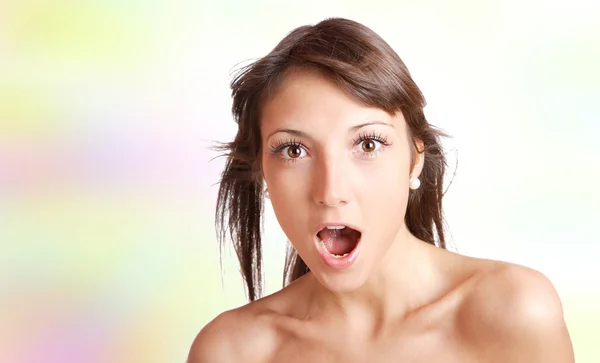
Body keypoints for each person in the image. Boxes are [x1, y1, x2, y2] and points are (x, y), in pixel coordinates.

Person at [188, 18, 574, 362]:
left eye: (368, 144)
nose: (331, 190)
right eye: (294, 150)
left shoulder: (514, 312)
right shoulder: (231, 351)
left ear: (415, 158)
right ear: (263, 174)